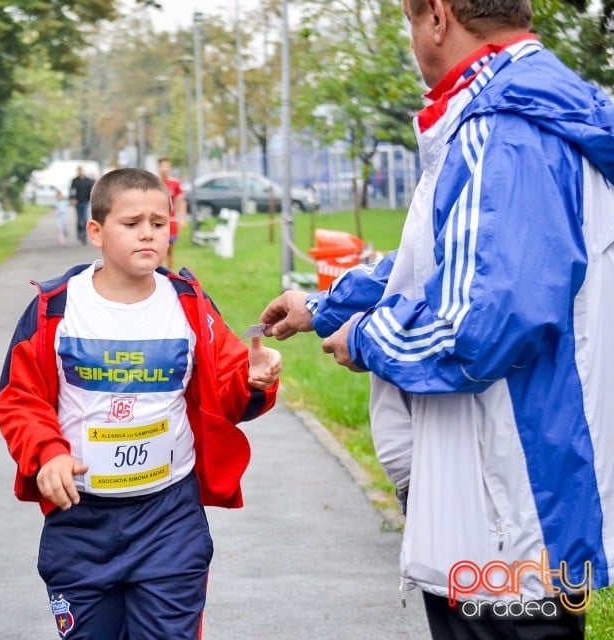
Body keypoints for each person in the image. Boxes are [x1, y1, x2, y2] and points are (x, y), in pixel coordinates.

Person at [259, 2, 614, 638]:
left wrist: (365, 337)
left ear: (440, 17)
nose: (414, 42)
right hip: (519, 498)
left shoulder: (504, 126)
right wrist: (327, 304)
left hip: (505, 514)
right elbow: (452, 255)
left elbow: (482, 324)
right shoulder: (532, 109)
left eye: (410, 22)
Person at [0, 168, 282, 639]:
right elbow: (19, 399)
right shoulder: (56, 308)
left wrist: (254, 378)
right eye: (131, 223)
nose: (148, 232)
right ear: (96, 232)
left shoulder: (188, 304)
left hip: (169, 519)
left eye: (159, 221)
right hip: (82, 520)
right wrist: (48, 454)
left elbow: (230, 389)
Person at [157, 157, 185, 270]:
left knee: (170, 248)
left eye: (167, 166)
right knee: (158, 247)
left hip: (171, 220)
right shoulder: (154, 182)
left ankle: (170, 272)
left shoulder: (175, 183)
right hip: (157, 221)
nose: (165, 169)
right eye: (162, 166)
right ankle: (158, 271)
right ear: (158, 167)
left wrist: (182, 217)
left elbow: (180, 201)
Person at [68, 165, 95, 245]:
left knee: (84, 218)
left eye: (82, 170)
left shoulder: (88, 180)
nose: (81, 172)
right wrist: (72, 198)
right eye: (79, 171)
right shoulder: (75, 181)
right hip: (77, 201)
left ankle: (84, 234)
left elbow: (92, 190)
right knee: (79, 218)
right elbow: (72, 190)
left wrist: (92, 198)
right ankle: (80, 232)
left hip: (85, 201)